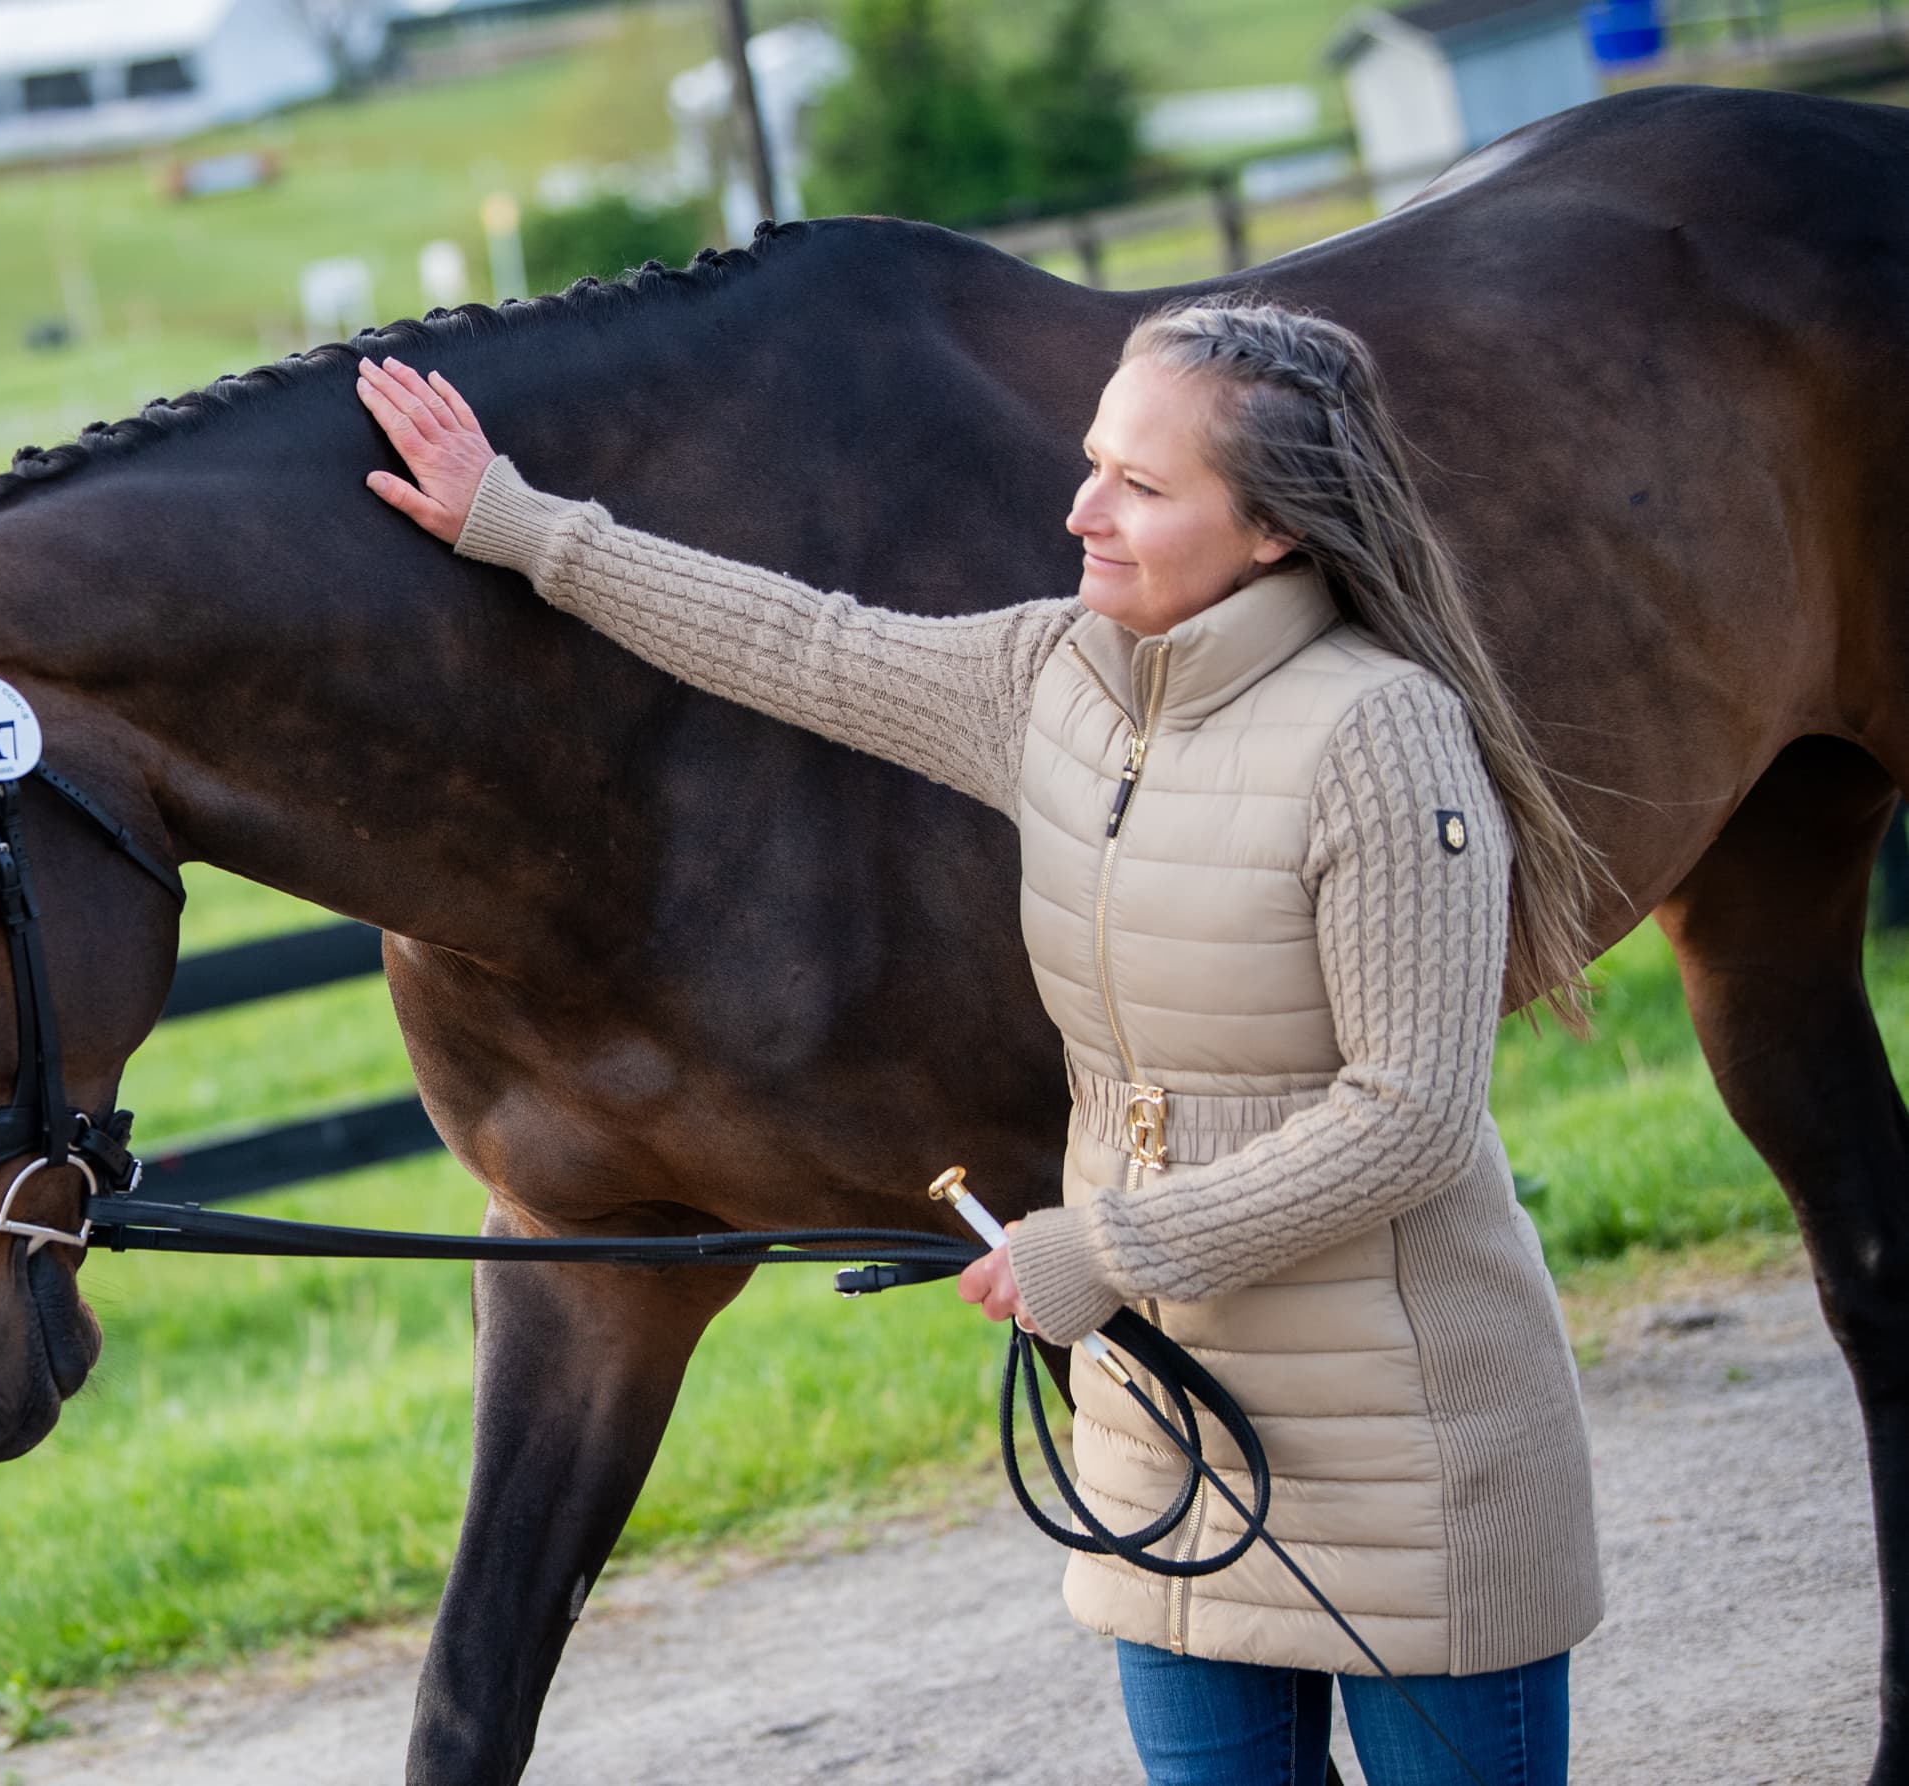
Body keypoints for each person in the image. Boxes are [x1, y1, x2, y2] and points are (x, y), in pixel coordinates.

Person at [353, 293, 1605, 1785]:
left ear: (1276, 531)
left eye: (1142, 486)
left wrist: (1101, 1252)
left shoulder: (1382, 736)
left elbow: (1408, 1118)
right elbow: (803, 646)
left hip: (1412, 1443)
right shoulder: (1054, 681)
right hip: (1167, 1428)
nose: (1082, 508)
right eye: (1093, 460)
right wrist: (525, 527)